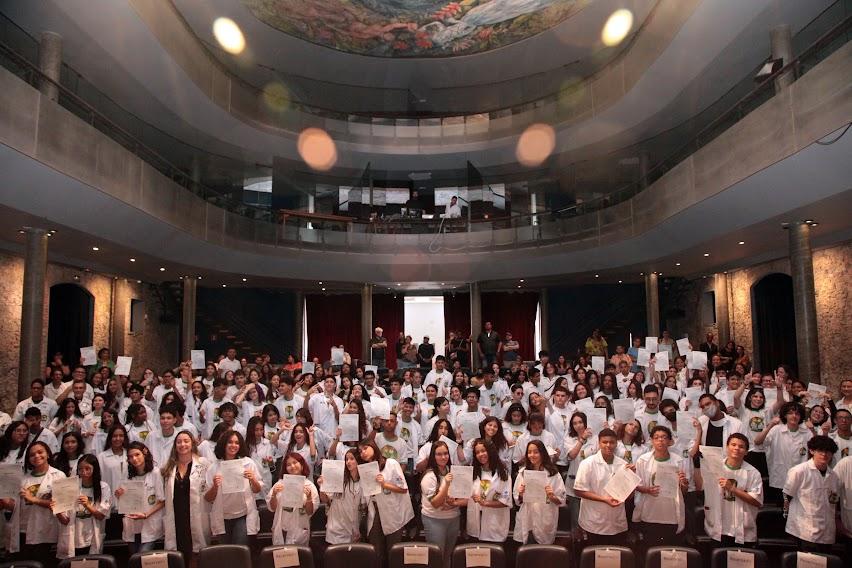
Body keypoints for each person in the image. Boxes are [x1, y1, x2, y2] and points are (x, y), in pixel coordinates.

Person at [3, 441, 73, 562]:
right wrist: (3, 498)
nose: (36, 456)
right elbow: (16, 507)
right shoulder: (24, 478)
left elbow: (63, 507)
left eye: (40, 452)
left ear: (48, 454)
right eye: (32, 454)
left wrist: (34, 499)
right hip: (24, 531)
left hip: (48, 532)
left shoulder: (59, 475)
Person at [700, 433, 763, 546]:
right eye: (733, 445)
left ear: (746, 451)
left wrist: (732, 489)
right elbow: (700, 486)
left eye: (741, 446)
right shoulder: (714, 467)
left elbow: (757, 501)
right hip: (718, 528)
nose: (737, 448)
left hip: (743, 531)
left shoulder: (753, 473)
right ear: (727, 447)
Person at [358, 440, 414, 567]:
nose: (363, 453)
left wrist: (384, 484)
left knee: (393, 552)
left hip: (392, 512)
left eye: (365, 448)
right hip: (375, 511)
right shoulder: (364, 469)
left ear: (373, 447)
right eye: (360, 451)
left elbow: (403, 489)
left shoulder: (391, 463)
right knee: (376, 552)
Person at [632, 426, 690, 547]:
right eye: (657, 438)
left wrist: (683, 482)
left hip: (671, 514)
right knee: (651, 551)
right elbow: (637, 485)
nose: (660, 440)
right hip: (650, 513)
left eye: (664, 437)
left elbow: (684, 491)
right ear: (652, 441)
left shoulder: (678, 461)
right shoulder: (643, 460)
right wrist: (647, 490)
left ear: (669, 441)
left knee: (670, 553)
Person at [204, 431, 264, 546]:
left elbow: (257, 490)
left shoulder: (248, 463)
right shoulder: (214, 467)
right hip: (223, 517)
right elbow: (207, 497)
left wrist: (253, 479)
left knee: (240, 550)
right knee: (226, 553)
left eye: (237, 443)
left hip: (243, 515)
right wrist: (215, 487)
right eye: (230, 442)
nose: (233, 445)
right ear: (224, 444)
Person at [783, 435, 841, 552]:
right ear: (811, 451)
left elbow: (833, 501)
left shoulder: (834, 476)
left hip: (827, 533)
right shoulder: (799, 471)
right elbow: (787, 497)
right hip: (804, 531)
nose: (824, 454)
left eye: (828, 451)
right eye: (820, 451)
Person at [573, 429, 630, 546]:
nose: (608, 445)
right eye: (604, 442)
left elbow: (629, 495)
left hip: (616, 522)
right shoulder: (587, 463)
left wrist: (631, 477)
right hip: (593, 522)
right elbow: (579, 491)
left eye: (612, 442)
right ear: (599, 443)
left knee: (615, 560)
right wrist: (604, 499)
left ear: (616, 444)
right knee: (594, 558)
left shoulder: (624, 465)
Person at [162, 431, 210, 564]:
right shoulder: (169, 467)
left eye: (186, 441)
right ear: (175, 445)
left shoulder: (203, 463)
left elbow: (209, 491)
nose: (182, 444)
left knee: (196, 553)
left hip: (196, 516)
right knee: (178, 555)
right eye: (179, 442)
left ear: (192, 443)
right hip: (177, 518)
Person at [755, 401, 813, 504]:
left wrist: (813, 430)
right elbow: (758, 442)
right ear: (785, 415)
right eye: (790, 413)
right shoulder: (776, 430)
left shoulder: (807, 432)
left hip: (800, 479)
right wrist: (770, 425)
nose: (794, 416)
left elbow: (816, 450)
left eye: (797, 413)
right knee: (782, 511)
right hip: (780, 477)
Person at [420, 441, 465, 568]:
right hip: (434, 520)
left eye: (445, 453)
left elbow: (466, 498)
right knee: (437, 557)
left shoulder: (453, 471)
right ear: (433, 457)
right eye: (439, 454)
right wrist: (446, 484)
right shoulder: (429, 476)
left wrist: (454, 504)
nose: (443, 457)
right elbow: (435, 503)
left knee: (447, 556)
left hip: (453, 518)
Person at [512, 439, 566, 544]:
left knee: (544, 554)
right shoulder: (523, 473)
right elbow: (517, 501)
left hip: (545, 517)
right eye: (529, 452)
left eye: (536, 452)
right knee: (527, 551)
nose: (532, 455)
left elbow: (562, 501)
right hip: (527, 517)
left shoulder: (553, 474)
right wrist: (521, 494)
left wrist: (552, 496)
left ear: (542, 453)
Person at [118, 442, 164, 554]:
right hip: (132, 523)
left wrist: (146, 514)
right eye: (130, 457)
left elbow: (162, 501)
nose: (134, 459)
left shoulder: (155, 473)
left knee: (142, 557)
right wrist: (119, 495)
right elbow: (124, 501)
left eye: (137, 454)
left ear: (145, 453)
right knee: (134, 559)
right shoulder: (127, 474)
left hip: (149, 522)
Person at [61, 454, 111, 557]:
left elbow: (101, 516)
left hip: (92, 536)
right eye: (80, 469)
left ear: (95, 469)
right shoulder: (71, 486)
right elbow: (65, 520)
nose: (84, 472)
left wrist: (88, 505)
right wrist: (57, 510)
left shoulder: (103, 487)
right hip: (74, 537)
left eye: (88, 469)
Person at [267, 452, 319, 545]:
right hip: (282, 529)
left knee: (299, 558)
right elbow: (272, 508)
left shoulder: (309, 486)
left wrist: (309, 498)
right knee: (282, 558)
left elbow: (310, 512)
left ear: (302, 465)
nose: (292, 466)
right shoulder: (280, 484)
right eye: (288, 465)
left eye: (295, 462)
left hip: (299, 530)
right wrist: (274, 494)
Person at [466, 438, 511, 543]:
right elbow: (468, 497)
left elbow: (505, 501)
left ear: (490, 451)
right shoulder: (473, 472)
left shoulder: (502, 473)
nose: (481, 454)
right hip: (476, 525)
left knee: (494, 557)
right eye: (477, 452)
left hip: (494, 525)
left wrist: (485, 503)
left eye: (483, 451)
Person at [318, 447, 364, 545]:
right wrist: (322, 487)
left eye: (352, 459)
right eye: (346, 459)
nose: (348, 462)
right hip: (336, 527)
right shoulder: (339, 479)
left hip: (353, 528)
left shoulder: (363, 482)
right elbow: (325, 499)